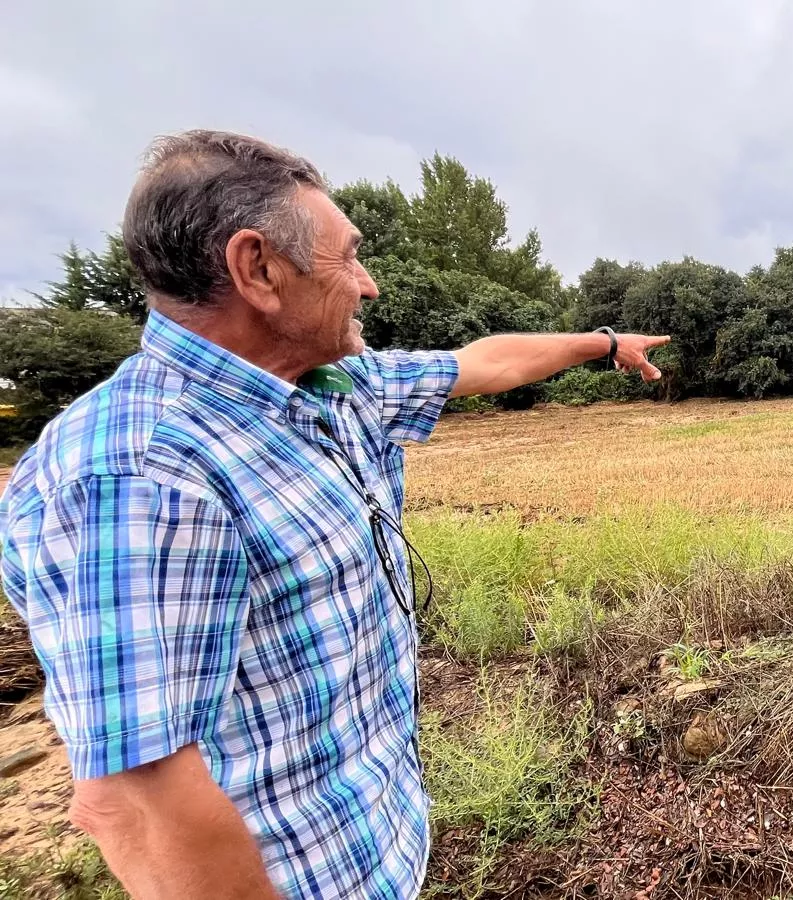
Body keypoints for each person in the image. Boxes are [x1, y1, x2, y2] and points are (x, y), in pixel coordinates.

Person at [0, 130, 669, 900]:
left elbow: (487, 361)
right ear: (258, 268)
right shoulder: (137, 475)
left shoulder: (336, 387)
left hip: (374, 853)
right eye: (348, 255)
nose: (369, 283)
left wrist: (606, 343)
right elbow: (139, 808)